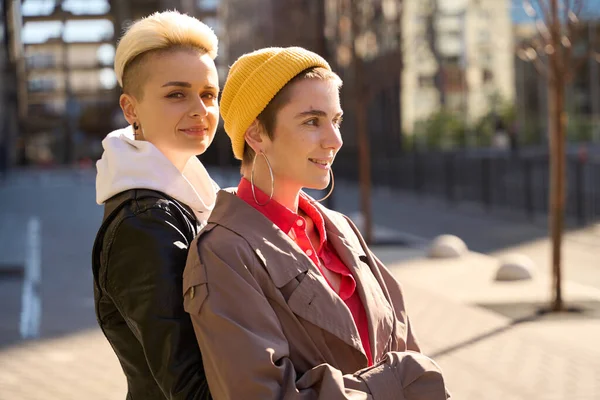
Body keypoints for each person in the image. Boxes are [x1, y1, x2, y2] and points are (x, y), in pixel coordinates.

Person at [183, 47, 449, 399]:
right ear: (256, 134)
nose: (335, 140)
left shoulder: (341, 229)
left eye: (336, 120)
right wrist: (399, 382)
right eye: (312, 121)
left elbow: (403, 345)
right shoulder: (223, 252)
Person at [91, 11, 219, 399]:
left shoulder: (190, 197)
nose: (201, 109)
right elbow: (188, 387)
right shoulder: (146, 222)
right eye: (176, 94)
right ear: (131, 109)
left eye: (209, 94)